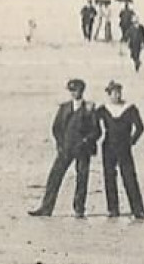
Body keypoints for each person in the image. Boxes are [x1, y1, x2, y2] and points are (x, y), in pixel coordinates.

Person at [29, 78, 101, 218]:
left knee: (82, 178)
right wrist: (60, 144)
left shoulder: (89, 109)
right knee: (54, 177)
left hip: (83, 149)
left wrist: (86, 141)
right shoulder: (64, 108)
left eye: (76, 90)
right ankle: (46, 208)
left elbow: (96, 130)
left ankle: (79, 209)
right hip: (66, 148)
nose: (74, 93)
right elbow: (56, 128)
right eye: (72, 91)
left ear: (82, 91)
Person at [95, 81, 144, 219]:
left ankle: (138, 210)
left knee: (129, 176)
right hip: (108, 146)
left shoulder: (130, 109)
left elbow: (140, 127)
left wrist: (131, 141)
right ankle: (113, 209)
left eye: (119, 92)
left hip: (124, 146)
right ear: (108, 94)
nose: (117, 95)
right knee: (109, 176)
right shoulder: (103, 109)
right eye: (113, 93)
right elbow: (94, 126)